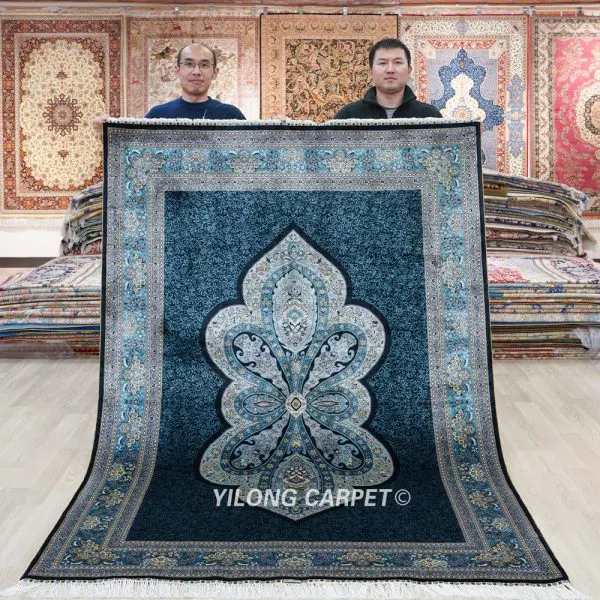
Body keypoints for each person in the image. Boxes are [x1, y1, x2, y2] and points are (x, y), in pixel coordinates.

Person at [334, 38, 441, 120]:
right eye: (382, 63)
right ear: (371, 71)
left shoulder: (429, 116)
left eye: (398, 62)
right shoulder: (348, 115)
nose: (390, 69)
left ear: (409, 70)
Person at [145, 43, 245, 120]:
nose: (196, 72)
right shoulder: (156, 116)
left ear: (214, 72)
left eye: (204, 65)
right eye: (189, 64)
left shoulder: (231, 116)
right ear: (178, 71)